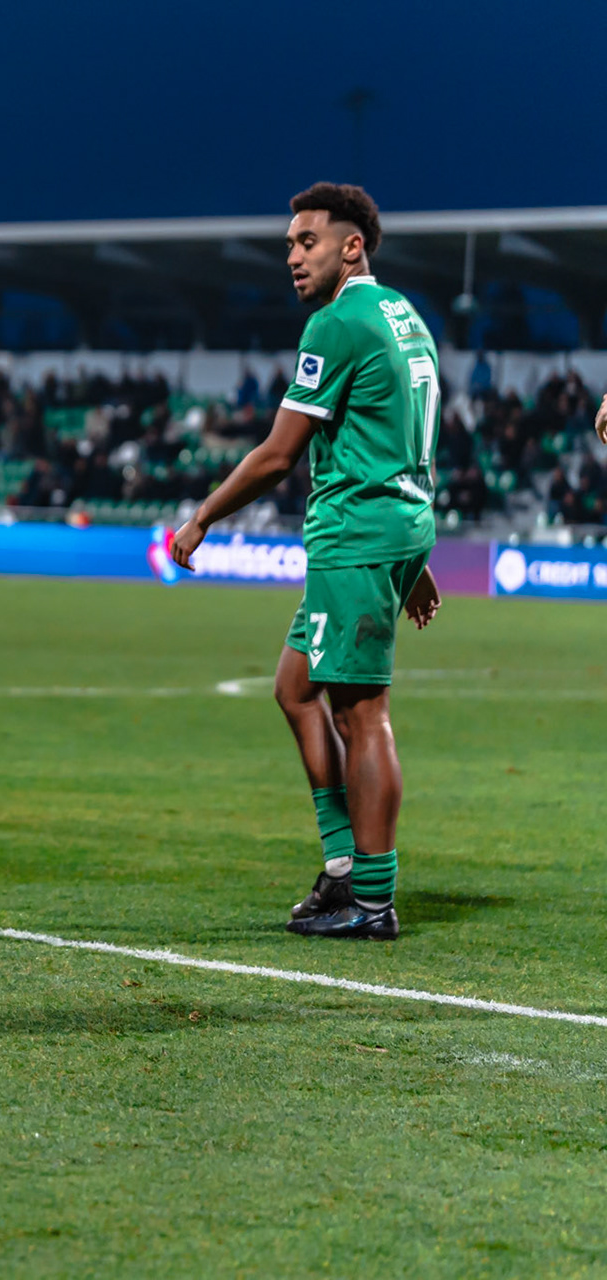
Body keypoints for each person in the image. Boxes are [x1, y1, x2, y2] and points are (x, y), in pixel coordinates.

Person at [170, 182, 440, 941]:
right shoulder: (404, 315)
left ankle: (374, 901)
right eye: (289, 244)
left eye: (307, 241)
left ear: (352, 245)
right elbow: (404, 434)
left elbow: (277, 456)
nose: (292, 256)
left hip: (359, 531)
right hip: (387, 526)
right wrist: (411, 557)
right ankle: (344, 867)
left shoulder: (338, 321)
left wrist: (201, 518)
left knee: (362, 711)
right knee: (295, 688)